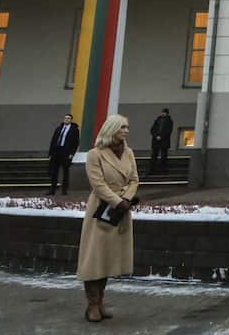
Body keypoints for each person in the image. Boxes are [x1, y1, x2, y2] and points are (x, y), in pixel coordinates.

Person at [76, 113, 138, 324]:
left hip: (121, 210)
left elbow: (134, 179)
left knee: (109, 259)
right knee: (95, 258)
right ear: (112, 128)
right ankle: (92, 305)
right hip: (101, 210)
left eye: (127, 127)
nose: (126, 131)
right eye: (122, 127)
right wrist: (117, 201)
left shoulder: (129, 152)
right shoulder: (95, 154)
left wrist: (126, 199)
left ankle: (100, 302)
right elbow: (97, 184)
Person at [47, 113, 80, 195]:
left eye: (68, 118)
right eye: (65, 118)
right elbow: (53, 140)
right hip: (56, 151)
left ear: (71, 120)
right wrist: (50, 153)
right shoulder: (59, 128)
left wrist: (72, 153)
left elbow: (75, 143)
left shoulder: (74, 130)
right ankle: (52, 190)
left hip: (66, 152)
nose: (66, 120)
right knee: (54, 171)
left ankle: (64, 190)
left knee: (65, 172)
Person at [149, 108, 173, 175]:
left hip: (164, 141)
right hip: (156, 141)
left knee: (163, 155)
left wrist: (161, 136)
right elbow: (152, 129)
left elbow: (168, 131)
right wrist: (156, 136)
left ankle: (163, 169)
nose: (162, 113)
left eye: (164, 112)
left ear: (167, 113)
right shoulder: (157, 120)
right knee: (154, 155)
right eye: (162, 112)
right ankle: (152, 169)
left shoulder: (169, 121)